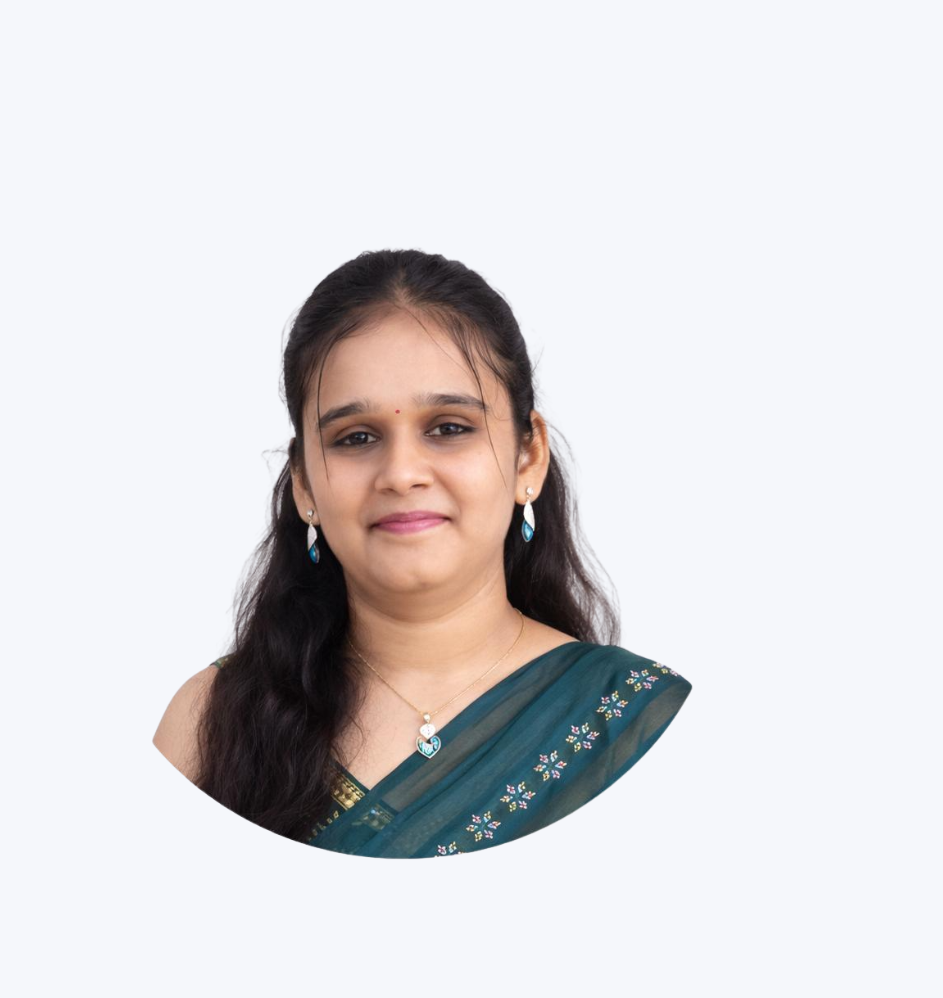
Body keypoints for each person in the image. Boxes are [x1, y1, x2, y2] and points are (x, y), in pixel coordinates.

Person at [153, 248, 692, 857]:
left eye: (449, 428)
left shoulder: (635, 719)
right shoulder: (210, 721)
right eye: (356, 437)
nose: (402, 473)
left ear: (528, 457)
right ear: (303, 482)